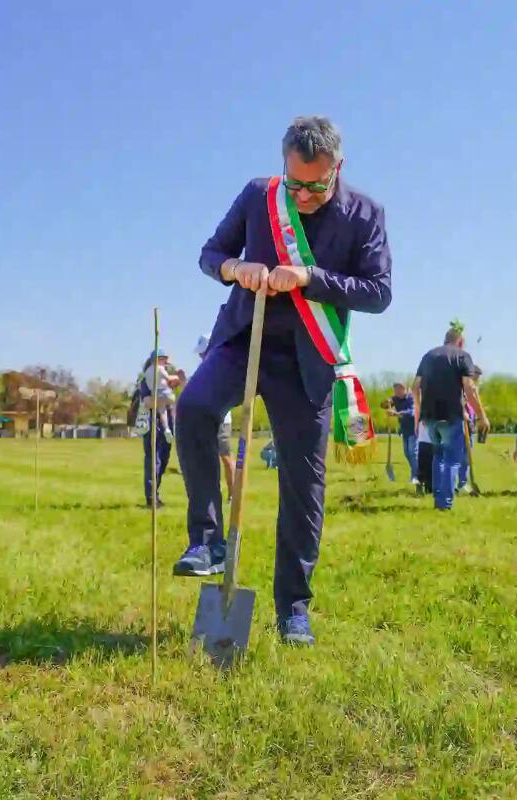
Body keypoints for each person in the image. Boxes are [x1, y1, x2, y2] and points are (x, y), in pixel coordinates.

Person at [172, 116, 392, 646]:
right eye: (295, 184)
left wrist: (311, 279)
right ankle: (207, 541)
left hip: (309, 362)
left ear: (338, 169)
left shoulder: (365, 216)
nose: (305, 195)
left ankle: (292, 608)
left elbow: (378, 291)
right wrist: (234, 270)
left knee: (303, 486)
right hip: (245, 338)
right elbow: (210, 254)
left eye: (316, 185)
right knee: (195, 408)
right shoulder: (257, 197)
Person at [411, 327, 490, 510]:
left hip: (430, 416)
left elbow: (415, 387)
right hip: (452, 415)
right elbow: (469, 389)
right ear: (460, 341)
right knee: (452, 460)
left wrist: (419, 413)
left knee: (438, 457)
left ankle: (438, 500)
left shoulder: (428, 356)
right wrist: (481, 416)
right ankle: (444, 504)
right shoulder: (463, 356)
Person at [137, 349, 185, 506]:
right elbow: (147, 402)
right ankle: (151, 497)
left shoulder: (165, 385)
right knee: (154, 459)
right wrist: (163, 401)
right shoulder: (147, 381)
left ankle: (155, 493)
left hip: (168, 425)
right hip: (153, 424)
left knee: (163, 459)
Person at [195, 334, 234, 490]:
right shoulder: (203, 368)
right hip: (206, 419)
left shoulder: (221, 367)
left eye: (202, 352)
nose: (200, 355)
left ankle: (233, 494)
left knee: (225, 457)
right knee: (207, 458)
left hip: (221, 420)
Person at [388, 382, 417, 483]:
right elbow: (384, 404)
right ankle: (415, 472)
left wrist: (397, 413)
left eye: (398, 390)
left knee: (412, 452)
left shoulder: (411, 398)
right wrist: (387, 404)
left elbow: (412, 412)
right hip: (404, 429)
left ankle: (415, 476)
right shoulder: (396, 398)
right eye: (395, 391)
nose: (396, 393)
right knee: (406, 453)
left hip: (414, 429)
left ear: (403, 389)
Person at [414, 419, 434, 495]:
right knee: (423, 463)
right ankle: (420, 484)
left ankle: (429, 487)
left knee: (431, 464)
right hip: (423, 439)